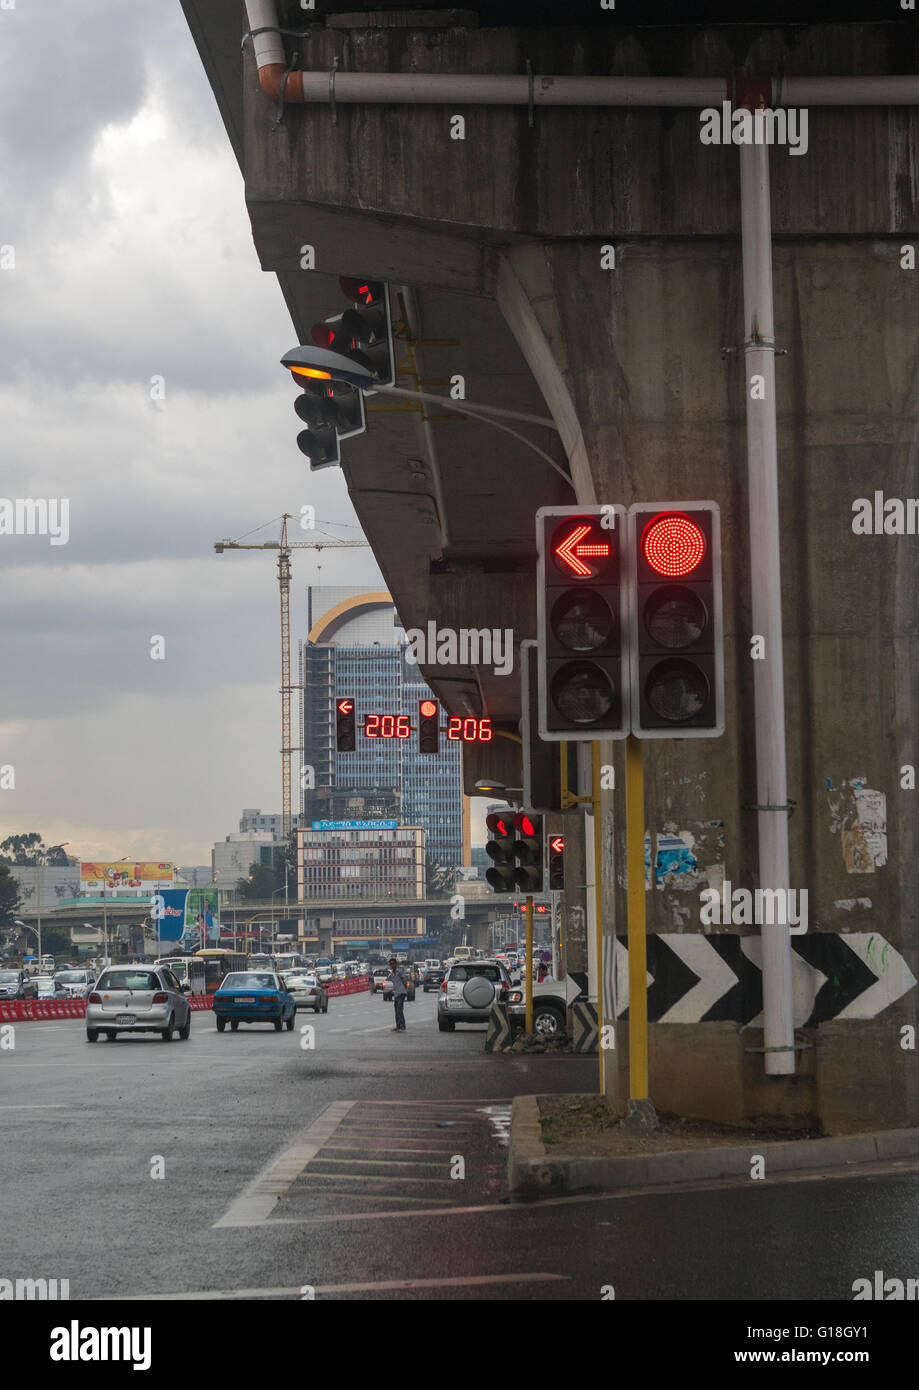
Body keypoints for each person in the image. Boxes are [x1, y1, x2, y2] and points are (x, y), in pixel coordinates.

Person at [388, 956, 409, 1031]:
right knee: (396, 1011)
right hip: (396, 994)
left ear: (396, 964)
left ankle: (402, 1025)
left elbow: (405, 980)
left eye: (393, 963)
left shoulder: (399, 972)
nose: (392, 965)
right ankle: (398, 1025)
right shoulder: (392, 974)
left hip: (401, 993)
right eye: (391, 964)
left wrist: (404, 989)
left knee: (399, 1010)